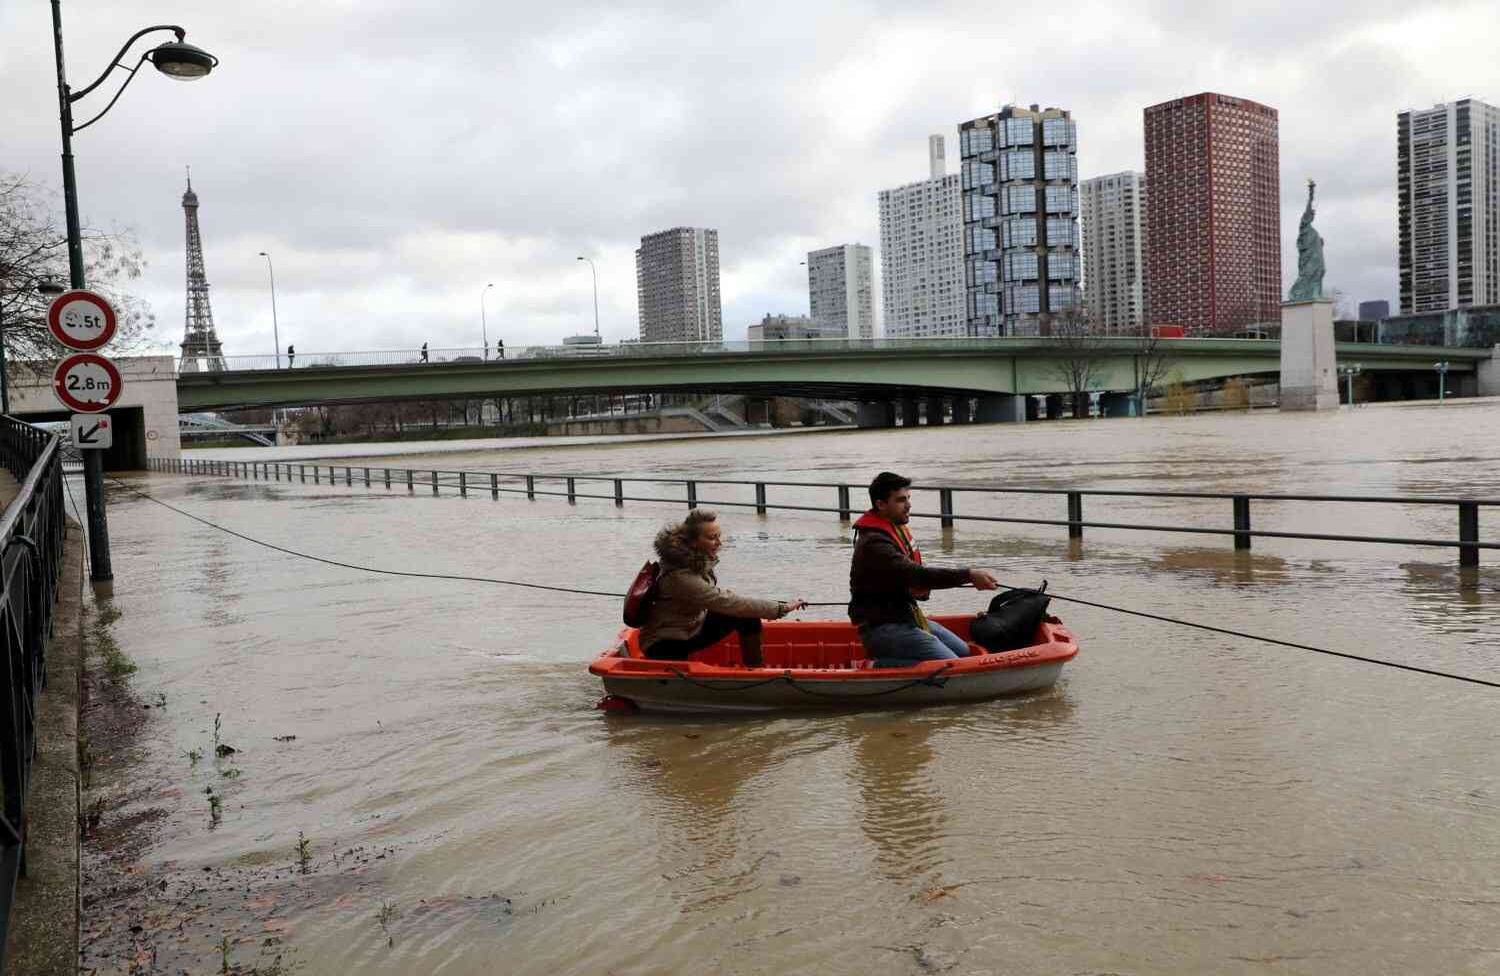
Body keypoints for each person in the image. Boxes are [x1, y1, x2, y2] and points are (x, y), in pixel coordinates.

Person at [849, 471, 998, 667]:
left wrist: (965, 577)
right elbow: (916, 575)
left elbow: (915, 575)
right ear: (881, 504)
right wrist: (968, 575)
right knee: (951, 665)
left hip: (904, 618)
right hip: (882, 629)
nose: (909, 505)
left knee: (963, 652)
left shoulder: (892, 531)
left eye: (908, 498)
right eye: (901, 500)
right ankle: (874, 666)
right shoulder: (875, 544)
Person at [640, 509, 806, 668]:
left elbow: (723, 600)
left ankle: (755, 669)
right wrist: (781, 608)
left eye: (719, 536)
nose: (719, 543)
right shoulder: (680, 577)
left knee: (747, 618)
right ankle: (755, 676)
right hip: (664, 644)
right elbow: (725, 601)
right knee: (743, 613)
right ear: (692, 541)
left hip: (687, 628)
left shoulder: (693, 561)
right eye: (712, 538)